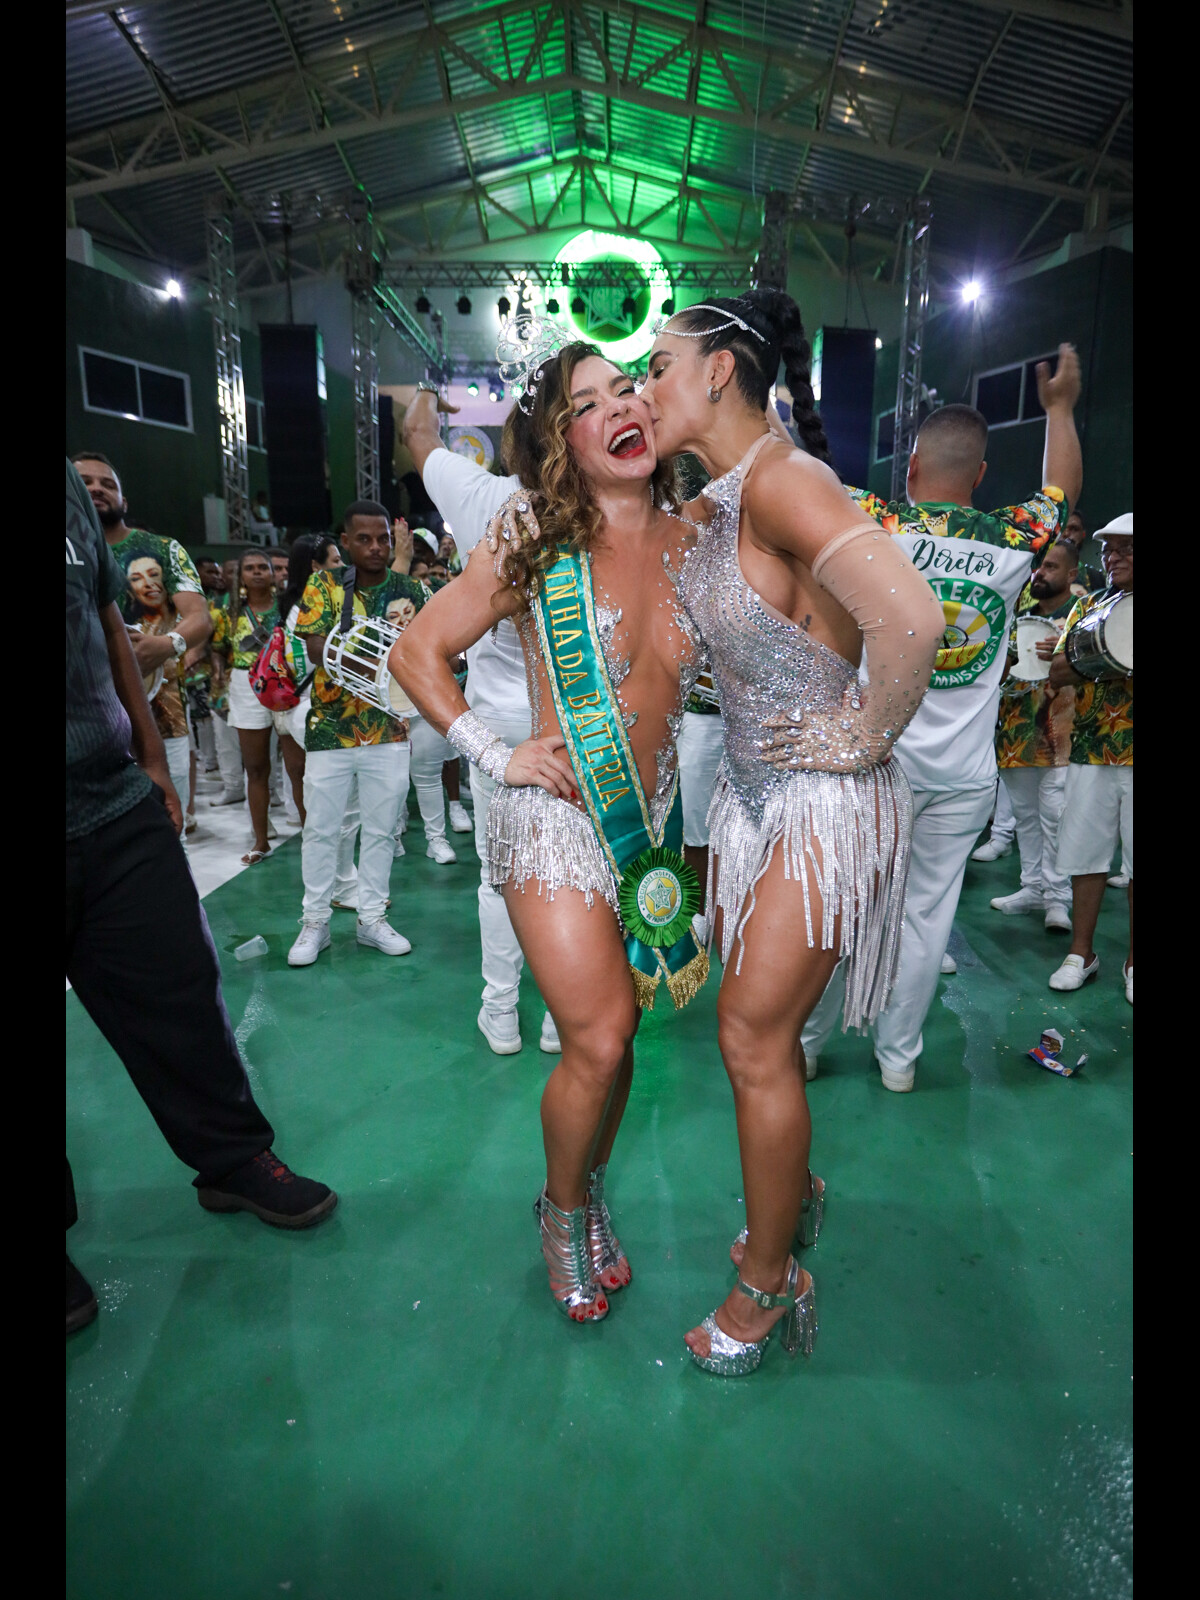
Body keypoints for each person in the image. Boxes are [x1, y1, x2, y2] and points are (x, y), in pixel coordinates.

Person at [642, 291, 943, 1376]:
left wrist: (864, 735)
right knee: (753, 1038)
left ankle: (771, 1281)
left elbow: (913, 618)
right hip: (760, 799)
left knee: (749, 1037)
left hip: (821, 800)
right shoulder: (727, 497)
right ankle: (790, 1192)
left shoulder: (784, 479)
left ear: (721, 370)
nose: (648, 386)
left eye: (661, 365)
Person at [392, 333, 709, 1328]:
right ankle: (561, 1213)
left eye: (630, 390)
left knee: (619, 1047)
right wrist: (497, 754)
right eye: (590, 400)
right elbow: (416, 650)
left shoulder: (700, 537)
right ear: (563, 437)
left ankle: (592, 1186)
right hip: (551, 811)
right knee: (602, 1032)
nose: (621, 406)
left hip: (646, 825)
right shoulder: (535, 530)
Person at [66, 460, 336, 1335]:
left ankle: (232, 1159)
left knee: (180, 983)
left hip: (107, 799)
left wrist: (149, 757)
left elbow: (106, 620)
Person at [792, 348, 1083, 1094]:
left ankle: (808, 1046)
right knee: (925, 919)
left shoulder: (878, 521)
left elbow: (798, 487)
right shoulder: (1010, 541)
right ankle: (898, 1061)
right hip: (961, 779)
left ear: (911, 465)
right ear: (981, 476)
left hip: (873, 763)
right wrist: (1058, 408)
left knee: (843, 913)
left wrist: (777, 422)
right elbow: (1063, 488)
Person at [403, 388, 561, 1057]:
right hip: (580, 719)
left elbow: (416, 434)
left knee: (500, 876)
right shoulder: (614, 502)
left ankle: (501, 1011)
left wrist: (424, 399)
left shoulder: (474, 491)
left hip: (496, 719)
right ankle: (560, 1014)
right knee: (580, 870)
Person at [288, 501, 426, 966]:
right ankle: (315, 922)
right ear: (344, 542)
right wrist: (379, 659)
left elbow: (431, 648)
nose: (376, 546)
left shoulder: (410, 588)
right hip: (330, 729)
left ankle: (371, 919)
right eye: (364, 539)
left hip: (389, 729)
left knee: (382, 830)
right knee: (321, 830)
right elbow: (311, 645)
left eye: (384, 537)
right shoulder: (324, 584)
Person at [71, 453, 213, 814]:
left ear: (124, 500)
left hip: (162, 714)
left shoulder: (162, 548)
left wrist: (167, 644)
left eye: (108, 484)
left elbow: (200, 616)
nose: (96, 489)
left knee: (167, 832)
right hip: (83, 724)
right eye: (84, 481)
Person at [1047, 515, 1133, 1002]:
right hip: (1093, 747)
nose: (1112, 558)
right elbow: (1057, 673)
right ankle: (1082, 953)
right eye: (1108, 550)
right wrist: (1104, 651)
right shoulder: (1088, 606)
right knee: (1086, 856)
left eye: (1126, 550)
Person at [990, 537, 1080, 931]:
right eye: (1039, 567)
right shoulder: (1015, 613)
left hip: (1063, 734)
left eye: (1051, 567)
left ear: (1072, 574)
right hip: (1015, 731)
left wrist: (1064, 651)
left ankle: (1058, 897)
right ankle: (1031, 888)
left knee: (1055, 816)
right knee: (1025, 816)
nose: (1040, 574)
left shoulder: (1083, 614)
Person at [210, 549, 305, 864]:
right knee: (256, 768)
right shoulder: (228, 613)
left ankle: (312, 835)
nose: (257, 572)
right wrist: (217, 675)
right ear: (240, 575)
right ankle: (261, 839)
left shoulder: (288, 607)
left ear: (274, 572)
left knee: (298, 768)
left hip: (285, 684)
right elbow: (220, 648)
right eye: (249, 568)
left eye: (263, 567)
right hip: (245, 686)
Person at [1059, 509, 1106, 596]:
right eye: (1061, 528)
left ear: (1083, 534)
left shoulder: (1095, 577)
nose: (1066, 533)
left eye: (1073, 529)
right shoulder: (1035, 571)